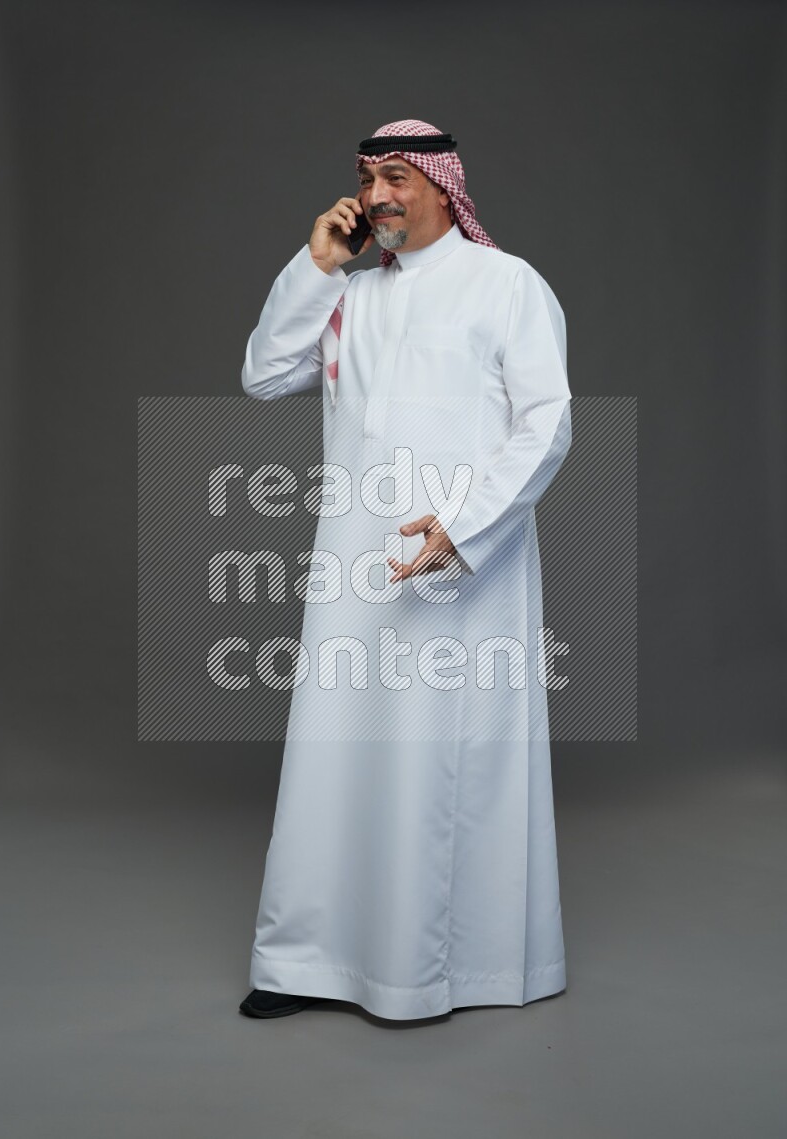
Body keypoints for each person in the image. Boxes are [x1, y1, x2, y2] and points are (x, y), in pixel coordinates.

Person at [238, 119, 572, 1021]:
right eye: (366, 178)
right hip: (354, 564)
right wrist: (315, 267)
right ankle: (307, 963)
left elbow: (546, 423)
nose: (378, 195)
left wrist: (462, 529)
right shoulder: (352, 296)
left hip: (462, 567)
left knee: (440, 765)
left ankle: (442, 973)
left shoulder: (506, 286)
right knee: (336, 758)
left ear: (441, 185)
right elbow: (265, 377)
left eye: (396, 177)